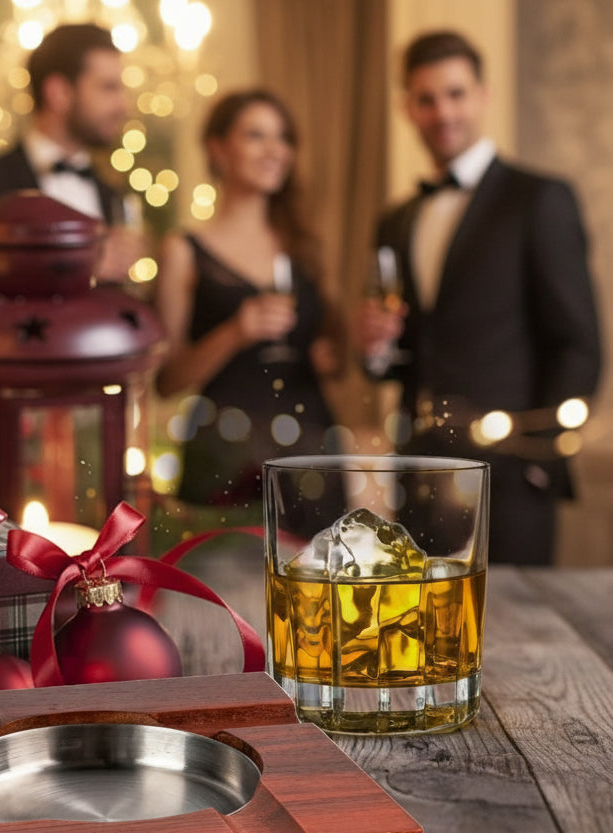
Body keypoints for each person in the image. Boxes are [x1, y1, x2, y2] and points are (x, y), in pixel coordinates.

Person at [355, 30, 603, 565]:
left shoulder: (539, 199)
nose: (443, 112)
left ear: (482, 95)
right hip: (418, 471)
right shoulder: (395, 220)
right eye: (426, 99)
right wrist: (376, 348)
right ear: (408, 107)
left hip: (511, 479)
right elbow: (398, 362)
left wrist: (541, 460)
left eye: (455, 93)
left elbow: (578, 343)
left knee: (517, 639)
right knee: (424, 633)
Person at [154, 88, 345, 519]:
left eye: (282, 138)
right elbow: (167, 380)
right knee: (223, 582)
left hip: (313, 450)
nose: (275, 150)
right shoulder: (184, 250)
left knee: (321, 579)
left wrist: (329, 356)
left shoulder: (307, 249)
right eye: (256, 136)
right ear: (217, 149)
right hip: (225, 454)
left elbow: (336, 355)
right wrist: (235, 332)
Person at [0, 22, 141, 282]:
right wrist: (83, 267)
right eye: (108, 88)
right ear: (59, 92)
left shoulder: (111, 195)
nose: (123, 107)